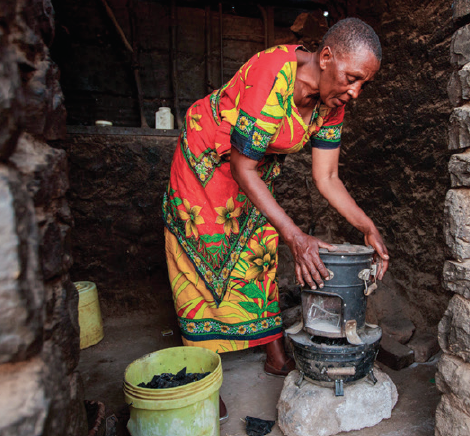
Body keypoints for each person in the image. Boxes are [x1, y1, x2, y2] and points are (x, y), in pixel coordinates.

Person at [162, 17, 389, 420]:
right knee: (204, 260)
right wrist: (296, 235)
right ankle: (203, 378)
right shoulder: (271, 73)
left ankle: (273, 353)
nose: (354, 92)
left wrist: (367, 226)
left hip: (251, 171)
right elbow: (241, 166)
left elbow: (327, 176)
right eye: (352, 78)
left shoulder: (330, 102)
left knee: (259, 253)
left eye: (363, 84)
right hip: (205, 165)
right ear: (325, 57)